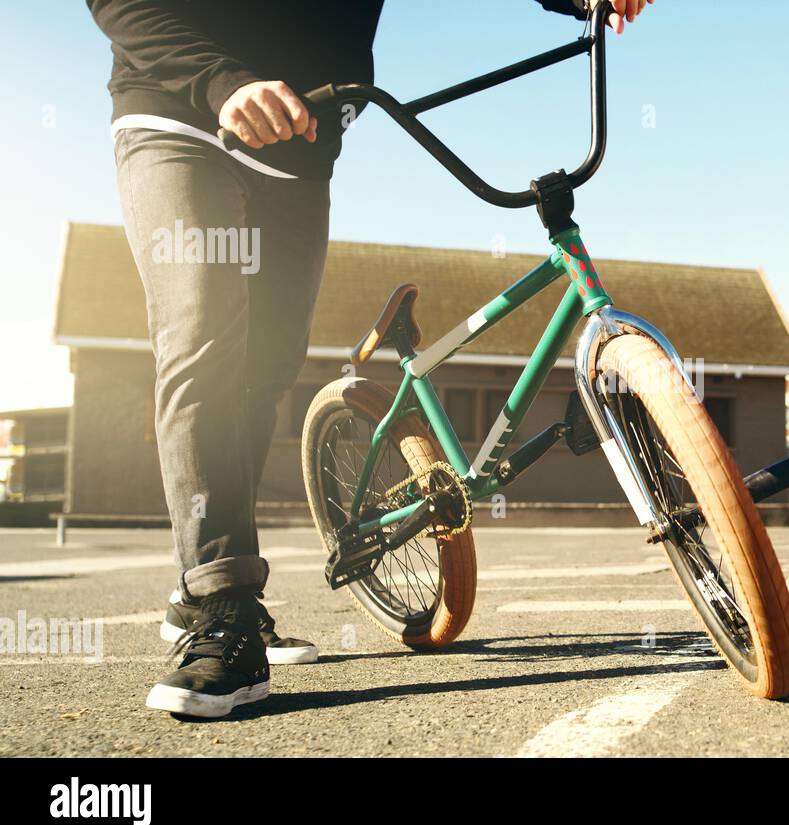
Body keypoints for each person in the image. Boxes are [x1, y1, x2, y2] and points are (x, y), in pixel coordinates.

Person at [89, 0, 653, 719]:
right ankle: (221, 605)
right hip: (179, 114)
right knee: (202, 334)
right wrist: (221, 82)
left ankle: (200, 582)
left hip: (301, 144)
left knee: (268, 367)